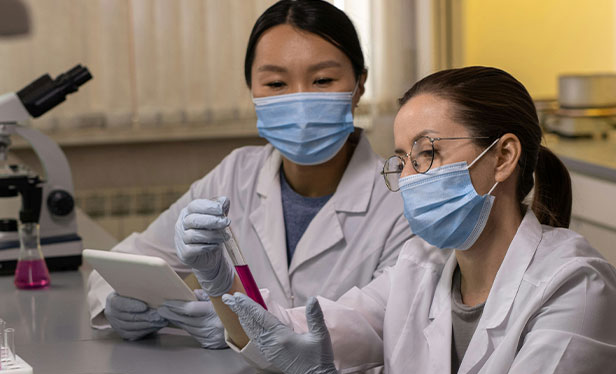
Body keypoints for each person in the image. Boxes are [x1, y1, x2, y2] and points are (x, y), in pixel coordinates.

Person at [214, 67, 616, 374]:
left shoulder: (577, 285)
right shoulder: (421, 267)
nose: (410, 177)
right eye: (403, 160)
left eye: (428, 153)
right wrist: (220, 279)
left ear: (504, 157)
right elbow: (291, 339)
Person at [86, 0, 412, 349]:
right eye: (275, 83)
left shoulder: (399, 198)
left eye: (322, 80)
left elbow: (381, 326)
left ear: (359, 85)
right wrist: (114, 300)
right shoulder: (236, 174)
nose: (299, 101)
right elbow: (128, 261)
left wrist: (240, 327)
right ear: (251, 92)